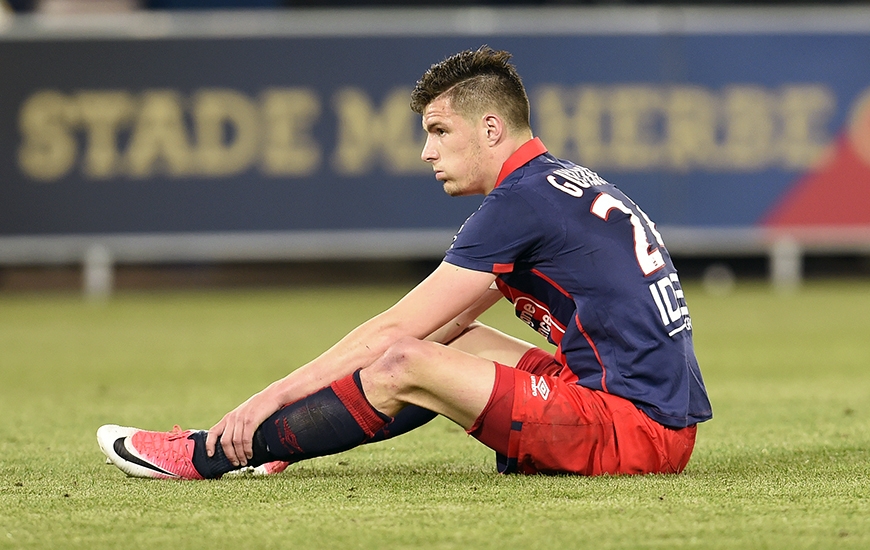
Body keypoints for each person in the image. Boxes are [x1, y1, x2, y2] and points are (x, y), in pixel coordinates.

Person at [97, 46, 712, 479]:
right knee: (453, 340)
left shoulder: (520, 205)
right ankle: (282, 438)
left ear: (491, 127)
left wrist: (265, 400)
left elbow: (395, 334)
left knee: (405, 361)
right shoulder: (560, 184)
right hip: (641, 414)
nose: (426, 151)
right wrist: (307, 418)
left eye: (440, 131)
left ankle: (214, 453)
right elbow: (439, 325)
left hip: (631, 433)